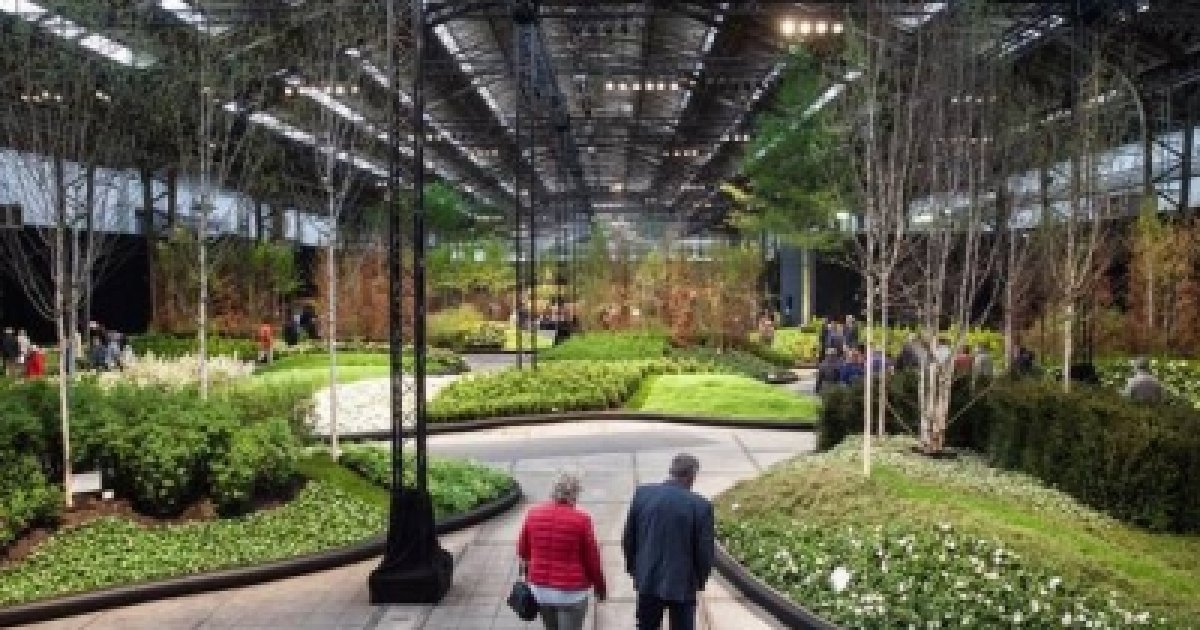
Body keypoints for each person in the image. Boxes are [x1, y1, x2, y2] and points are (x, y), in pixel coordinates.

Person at [623, 453, 714, 630]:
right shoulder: (701, 506)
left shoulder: (642, 494)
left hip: (648, 579)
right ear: (692, 475)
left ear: (672, 471)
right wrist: (700, 580)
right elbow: (704, 552)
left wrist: (635, 569)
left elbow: (629, 538)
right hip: (683, 584)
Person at [517, 471, 606, 630]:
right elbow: (592, 560)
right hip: (571, 594)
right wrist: (600, 587)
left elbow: (523, 551)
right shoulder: (582, 520)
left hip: (541, 591)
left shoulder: (533, 514)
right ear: (575, 494)